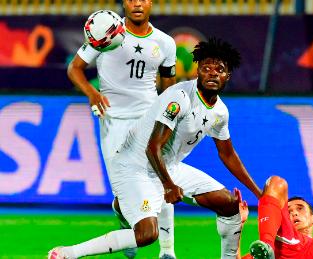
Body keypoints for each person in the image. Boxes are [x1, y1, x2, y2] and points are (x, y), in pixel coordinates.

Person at [49, 37, 262, 259]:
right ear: (197, 70)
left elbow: (227, 154)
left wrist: (258, 193)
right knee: (147, 235)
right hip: (135, 165)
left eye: (219, 69)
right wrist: (169, 185)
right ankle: (67, 253)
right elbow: (153, 146)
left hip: (168, 165)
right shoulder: (180, 98)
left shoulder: (220, 112)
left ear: (227, 76)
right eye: (206, 68)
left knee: (229, 205)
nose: (212, 73)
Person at [67, 1, 177, 258]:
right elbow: (74, 68)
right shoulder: (107, 31)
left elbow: (170, 90)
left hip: (149, 119)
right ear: (124, 3)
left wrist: (170, 120)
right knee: (124, 193)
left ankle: (167, 251)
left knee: (161, 179)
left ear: (151, 2)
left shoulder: (165, 43)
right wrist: (92, 93)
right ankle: (125, 216)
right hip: (114, 122)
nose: (137, 3)